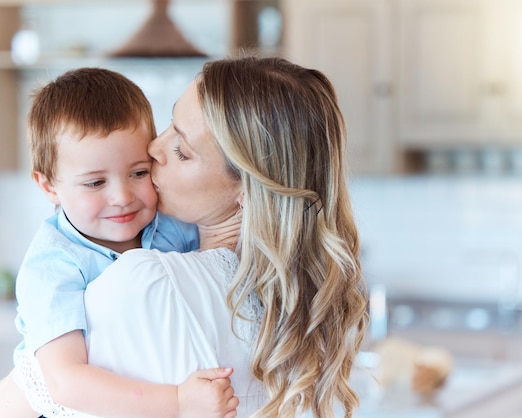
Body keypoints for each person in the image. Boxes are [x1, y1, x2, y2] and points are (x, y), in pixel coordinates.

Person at [11, 55, 369, 418]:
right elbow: (62, 381)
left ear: (247, 188)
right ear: (48, 185)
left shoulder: (150, 278)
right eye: (167, 125)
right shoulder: (287, 297)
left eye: (181, 150)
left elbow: (26, 397)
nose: (152, 149)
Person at [0, 67, 238, 418]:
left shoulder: (171, 224)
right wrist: (177, 402)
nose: (122, 197)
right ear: (49, 186)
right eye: (96, 183)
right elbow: (65, 382)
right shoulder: (52, 264)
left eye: (139, 173)